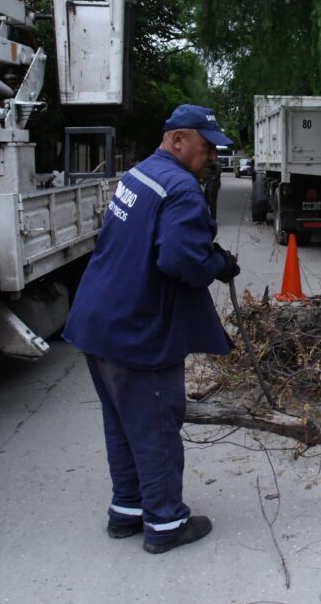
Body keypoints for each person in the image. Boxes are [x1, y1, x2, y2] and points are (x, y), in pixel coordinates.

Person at [63, 104, 241, 554]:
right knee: (157, 427)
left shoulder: (139, 175)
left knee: (121, 424)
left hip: (97, 324)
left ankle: (128, 509)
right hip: (138, 331)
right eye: (206, 147)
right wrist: (218, 263)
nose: (212, 157)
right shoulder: (181, 188)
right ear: (179, 140)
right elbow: (180, 259)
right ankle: (164, 523)